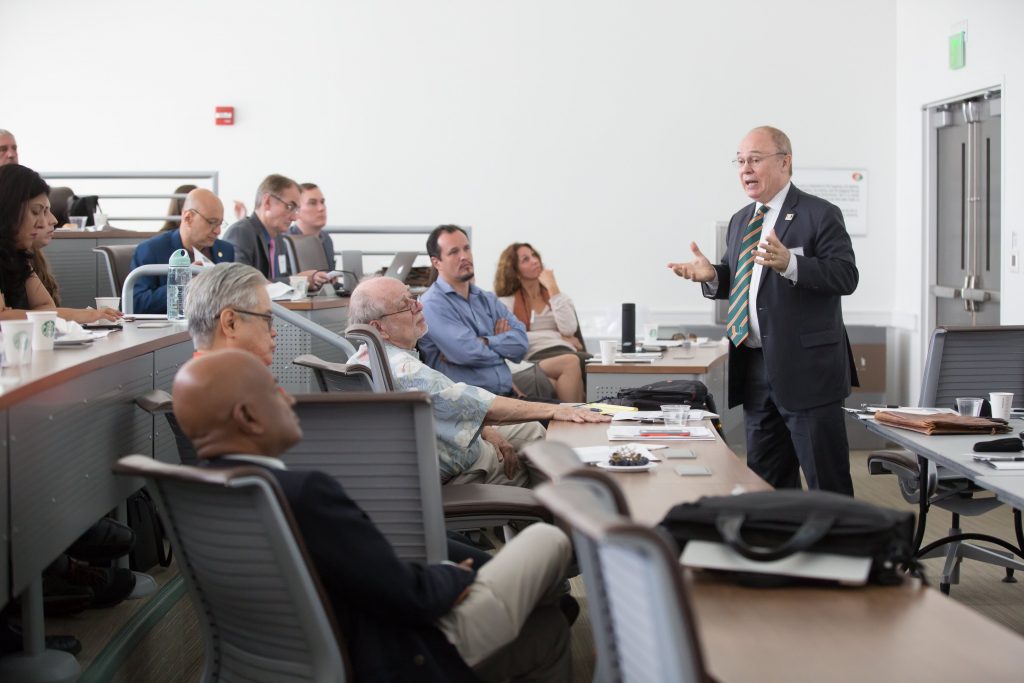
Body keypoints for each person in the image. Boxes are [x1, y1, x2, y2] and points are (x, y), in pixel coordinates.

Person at [173, 349, 574, 682]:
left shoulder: (200, 496)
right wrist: (458, 574)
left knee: (546, 627)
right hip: (397, 656)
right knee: (549, 543)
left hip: (296, 661)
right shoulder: (303, 493)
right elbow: (408, 595)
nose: (290, 399)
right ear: (248, 416)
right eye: (275, 391)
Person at [668, 126, 859, 495]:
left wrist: (791, 264)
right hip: (755, 367)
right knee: (767, 484)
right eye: (740, 161)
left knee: (827, 485)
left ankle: (842, 551)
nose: (745, 169)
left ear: (785, 162)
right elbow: (741, 283)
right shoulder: (741, 220)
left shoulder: (820, 214)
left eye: (755, 159)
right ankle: (778, 549)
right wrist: (712, 277)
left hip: (808, 373)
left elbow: (846, 276)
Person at [349, 276, 609, 487]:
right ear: (379, 327)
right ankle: (551, 524)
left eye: (414, 298)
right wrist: (557, 409)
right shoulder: (406, 370)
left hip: (435, 447)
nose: (419, 306)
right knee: (536, 448)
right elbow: (483, 404)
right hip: (452, 467)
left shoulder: (361, 359)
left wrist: (485, 429)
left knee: (531, 431)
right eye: (406, 305)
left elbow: (457, 403)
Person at [419, 225, 554, 400]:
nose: (464, 256)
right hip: (472, 406)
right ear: (436, 262)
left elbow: (521, 343)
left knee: (575, 416)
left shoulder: (486, 298)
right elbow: (467, 353)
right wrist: (502, 350)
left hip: (506, 397)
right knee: (559, 421)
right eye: (454, 252)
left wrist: (483, 341)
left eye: (467, 248)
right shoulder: (432, 303)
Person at [0, 164, 119, 322]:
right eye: (36, 212)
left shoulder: (17, 256)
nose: (47, 221)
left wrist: (16, 315)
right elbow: (2, 318)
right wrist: (81, 315)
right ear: (10, 211)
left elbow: (46, 306)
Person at [495, 242, 588, 402]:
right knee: (573, 362)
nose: (534, 261)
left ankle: (570, 423)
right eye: (525, 259)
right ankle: (575, 421)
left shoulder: (559, 297)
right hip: (534, 356)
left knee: (577, 367)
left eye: (534, 255)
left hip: (566, 351)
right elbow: (513, 340)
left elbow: (568, 329)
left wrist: (552, 286)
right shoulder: (505, 303)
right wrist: (555, 335)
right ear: (515, 271)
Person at [130, 188, 235, 314]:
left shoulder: (225, 250)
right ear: (188, 218)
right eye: (212, 222)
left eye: (220, 223)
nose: (217, 231)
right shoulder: (152, 250)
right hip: (172, 330)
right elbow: (135, 304)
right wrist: (182, 284)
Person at [222, 174, 331, 288]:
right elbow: (242, 285)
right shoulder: (241, 233)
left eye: (296, 209)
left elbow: (281, 279)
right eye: (290, 207)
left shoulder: (279, 239)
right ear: (267, 202)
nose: (294, 217)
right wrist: (298, 281)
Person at [31, 216, 122, 324]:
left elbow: (48, 310)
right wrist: (89, 314)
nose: (54, 220)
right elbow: (47, 313)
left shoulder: (34, 258)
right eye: (37, 211)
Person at [183, 262, 277, 365]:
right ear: (230, 323)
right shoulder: (226, 380)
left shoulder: (201, 377)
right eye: (267, 319)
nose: (274, 332)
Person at [289, 182, 336, 271]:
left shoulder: (326, 239)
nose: (321, 208)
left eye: (322, 202)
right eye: (312, 203)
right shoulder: (285, 243)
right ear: (296, 210)